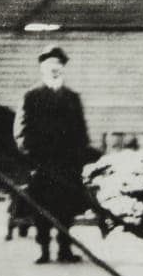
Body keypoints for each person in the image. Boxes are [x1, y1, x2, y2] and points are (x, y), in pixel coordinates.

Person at [13, 44, 91, 264]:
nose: (54, 69)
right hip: (42, 164)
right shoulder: (31, 96)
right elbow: (21, 131)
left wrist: (79, 159)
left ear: (63, 69)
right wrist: (31, 156)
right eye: (49, 65)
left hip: (67, 165)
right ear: (42, 68)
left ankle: (65, 249)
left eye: (58, 65)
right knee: (42, 208)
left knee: (67, 208)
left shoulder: (72, 98)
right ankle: (44, 250)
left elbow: (81, 131)